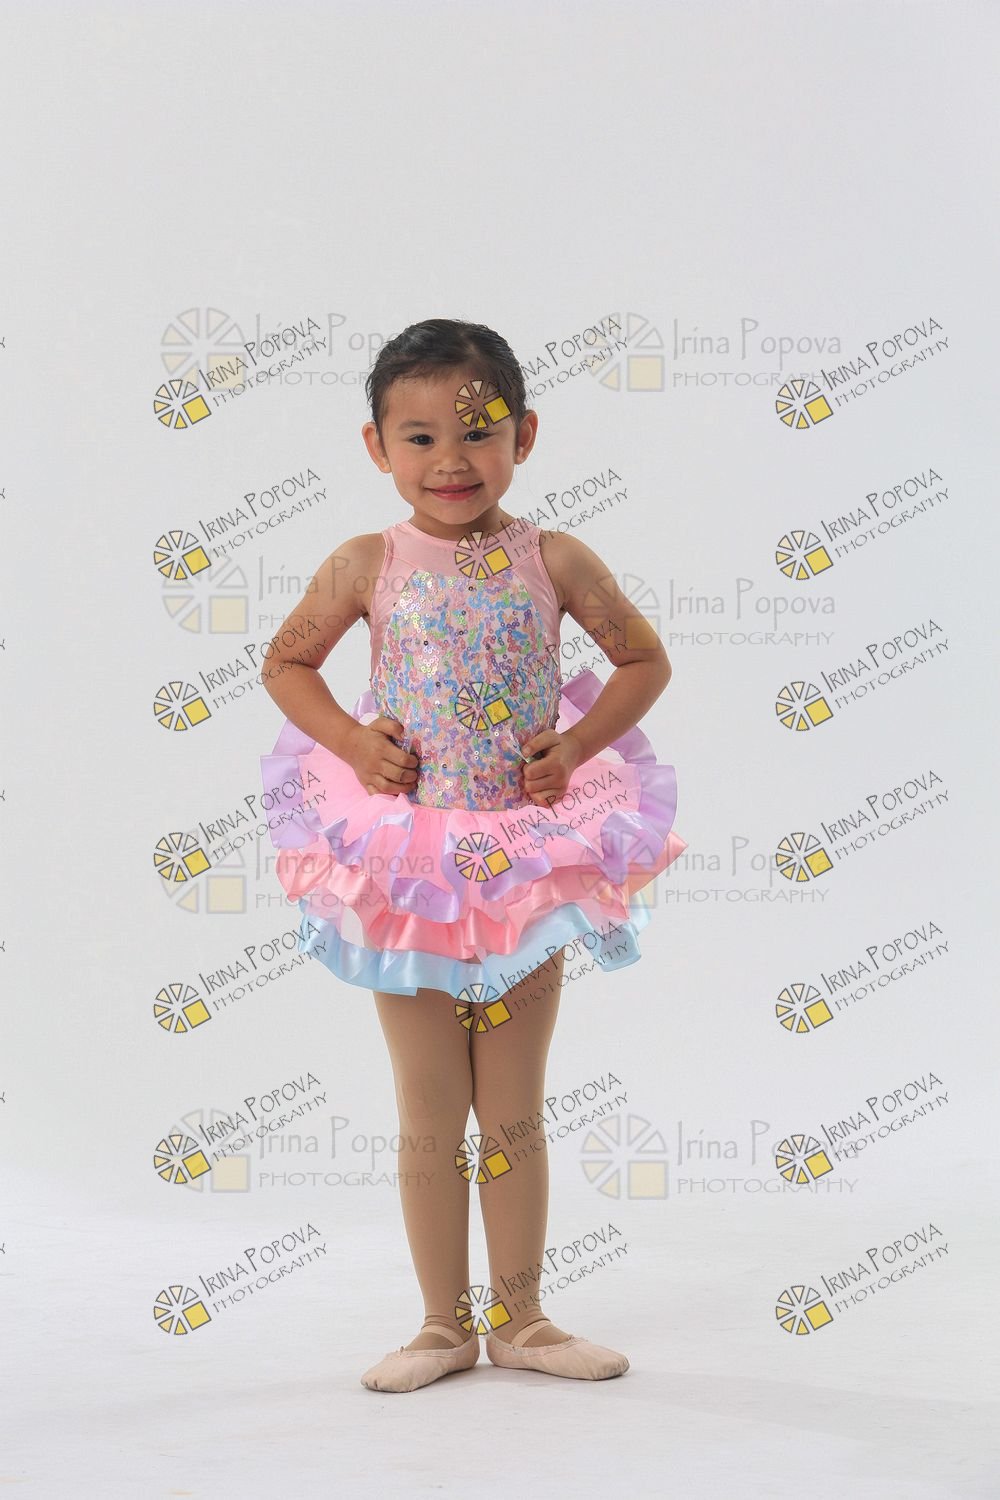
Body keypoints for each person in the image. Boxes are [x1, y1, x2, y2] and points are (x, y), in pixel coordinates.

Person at [258, 317, 687, 1392]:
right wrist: (352, 741)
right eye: (418, 438)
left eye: (478, 432)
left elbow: (642, 659)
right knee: (427, 1102)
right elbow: (287, 663)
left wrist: (575, 746)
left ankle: (524, 1319)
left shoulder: (555, 558)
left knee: (512, 1104)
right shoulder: (365, 563)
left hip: (521, 862)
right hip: (406, 866)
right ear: (376, 447)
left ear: (523, 434)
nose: (450, 461)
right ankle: (440, 1325)